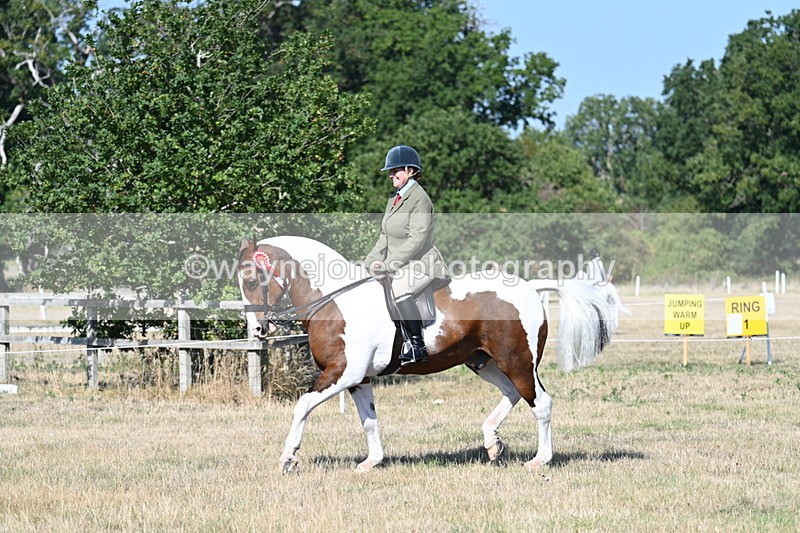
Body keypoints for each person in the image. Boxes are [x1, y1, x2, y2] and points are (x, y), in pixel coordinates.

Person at [365, 145, 448, 365]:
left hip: (422, 262)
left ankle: (416, 346)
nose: (391, 174)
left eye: (396, 170)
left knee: (399, 287)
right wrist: (370, 260)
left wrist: (389, 264)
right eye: (390, 171)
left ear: (410, 170)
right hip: (401, 263)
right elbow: (385, 234)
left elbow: (417, 239)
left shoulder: (419, 198)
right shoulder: (394, 199)